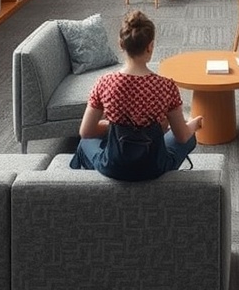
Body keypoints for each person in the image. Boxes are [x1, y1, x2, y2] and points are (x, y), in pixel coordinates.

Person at [70, 10, 202, 179]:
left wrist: (112, 127)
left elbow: (86, 132)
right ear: (151, 46)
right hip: (153, 168)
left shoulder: (104, 83)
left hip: (114, 167)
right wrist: (194, 123)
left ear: (121, 44)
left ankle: (83, 181)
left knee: (84, 143)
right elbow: (182, 137)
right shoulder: (166, 86)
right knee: (189, 137)